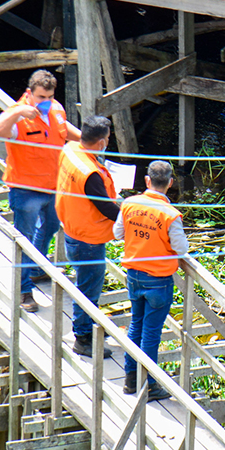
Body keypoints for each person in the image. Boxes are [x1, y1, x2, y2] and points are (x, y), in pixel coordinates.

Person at [0, 70, 80, 312]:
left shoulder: (55, 108)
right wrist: (19, 113)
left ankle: (36, 268)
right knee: (25, 239)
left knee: (50, 227)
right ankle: (24, 291)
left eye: (50, 96)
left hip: (54, 186)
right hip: (26, 189)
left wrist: (86, 140)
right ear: (29, 93)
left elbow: (63, 129)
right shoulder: (16, 114)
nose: (45, 101)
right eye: (41, 96)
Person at [114, 160, 189, 400]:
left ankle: (130, 379)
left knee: (136, 326)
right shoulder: (170, 214)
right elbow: (181, 248)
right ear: (170, 183)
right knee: (151, 334)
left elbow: (117, 233)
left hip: (134, 276)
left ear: (147, 181)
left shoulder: (129, 203)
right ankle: (149, 385)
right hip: (158, 280)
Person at [55, 115, 118, 359]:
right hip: (89, 239)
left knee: (84, 282)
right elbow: (107, 208)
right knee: (88, 289)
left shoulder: (70, 150)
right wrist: (131, 216)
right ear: (101, 142)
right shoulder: (91, 174)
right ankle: (82, 338)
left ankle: (85, 328)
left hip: (72, 228)